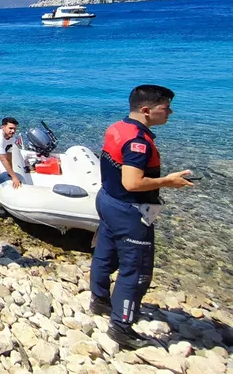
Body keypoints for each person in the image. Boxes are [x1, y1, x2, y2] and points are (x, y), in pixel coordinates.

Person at [89, 85, 194, 349]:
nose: (170, 112)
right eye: (165, 108)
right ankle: (121, 327)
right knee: (136, 270)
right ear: (146, 110)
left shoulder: (117, 127)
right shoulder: (138, 142)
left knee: (105, 253)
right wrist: (168, 181)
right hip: (129, 210)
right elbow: (132, 183)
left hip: (108, 199)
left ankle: (99, 300)